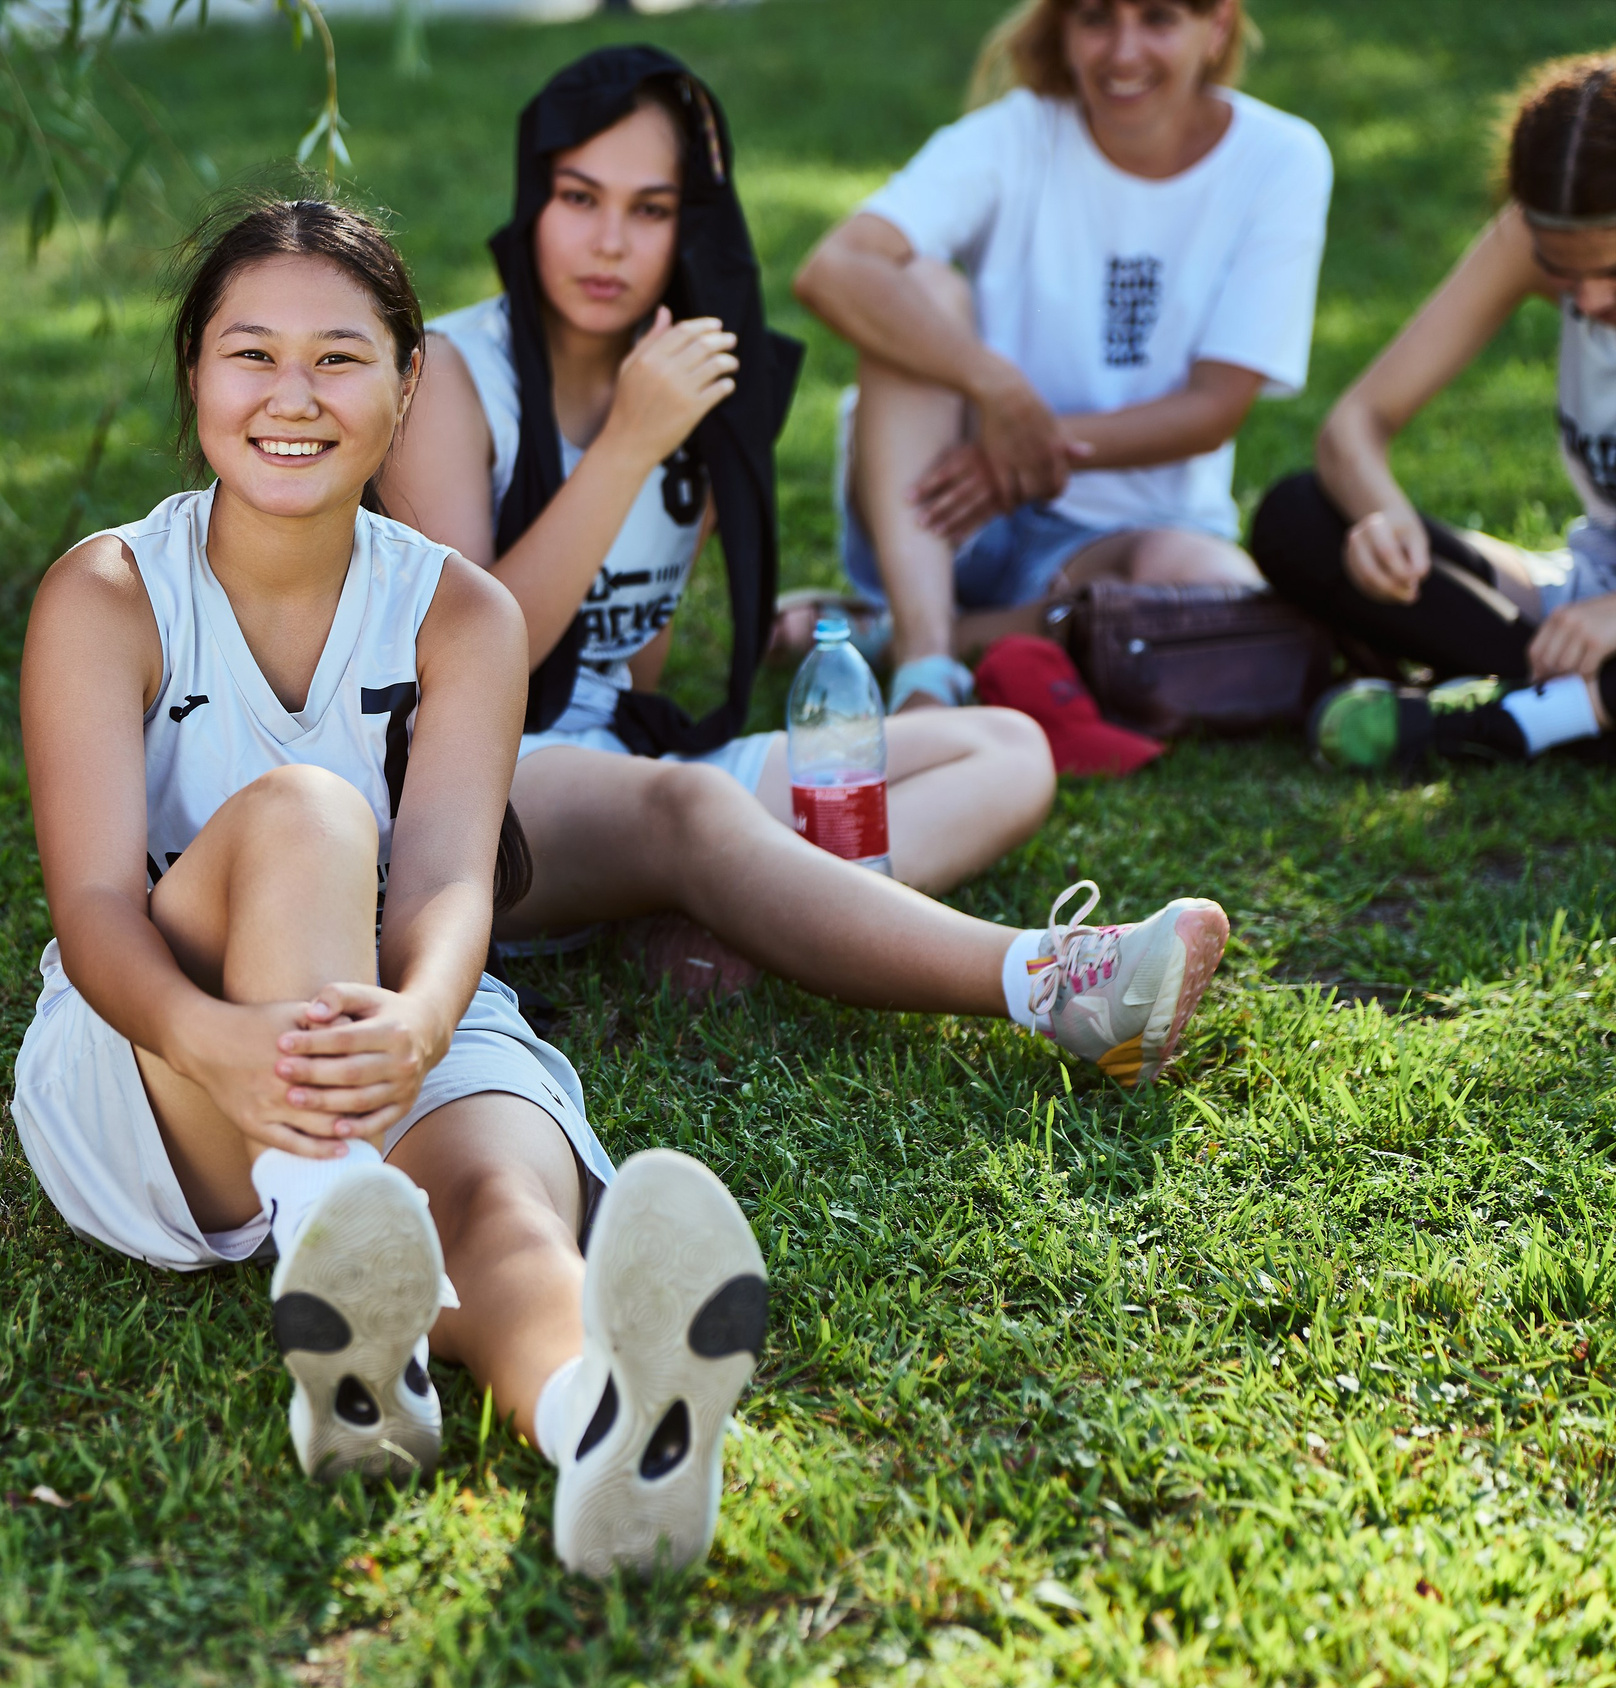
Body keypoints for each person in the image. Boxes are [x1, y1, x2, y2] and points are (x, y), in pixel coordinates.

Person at [13, 194, 773, 1579]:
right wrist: (220, 1041)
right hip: (160, 1049)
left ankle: (598, 1425)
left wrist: (422, 1024)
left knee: (504, 1209)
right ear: (193, 374)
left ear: (409, 384)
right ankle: (331, 1226)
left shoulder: (459, 612)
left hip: (393, 1004)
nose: (291, 396)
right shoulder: (110, 592)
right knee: (309, 811)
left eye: (341, 357)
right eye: (251, 354)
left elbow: (443, 888)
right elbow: (97, 914)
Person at [381, 45, 1231, 1089]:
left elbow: (628, 681)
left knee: (1005, 748)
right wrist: (626, 451)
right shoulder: (451, 378)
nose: (608, 242)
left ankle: (747, 920)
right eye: (577, 197)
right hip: (466, 802)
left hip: (615, 788)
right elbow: (467, 670)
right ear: (532, 200)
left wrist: (659, 432)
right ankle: (1058, 983)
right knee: (692, 810)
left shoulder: (686, 382)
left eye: (651, 209)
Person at [790, 0, 1333, 711]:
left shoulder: (1280, 158)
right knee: (914, 283)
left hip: (1128, 535)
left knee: (1231, 598)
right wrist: (996, 389)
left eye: (1160, 18)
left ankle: (903, 636)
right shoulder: (1016, 134)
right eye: (1096, 18)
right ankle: (924, 665)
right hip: (946, 513)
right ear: (1064, 30)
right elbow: (833, 269)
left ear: (1219, 27)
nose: (1124, 51)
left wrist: (1022, 453)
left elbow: (1212, 410)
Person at [1249, 52, 1616, 771]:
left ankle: (1512, 718)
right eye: (1563, 272)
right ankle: (1566, 703)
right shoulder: (1534, 241)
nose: (1589, 302)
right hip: (1586, 588)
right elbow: (1355, 424)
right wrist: (1385, 520)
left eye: (1612, 271)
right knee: (1297, 516)